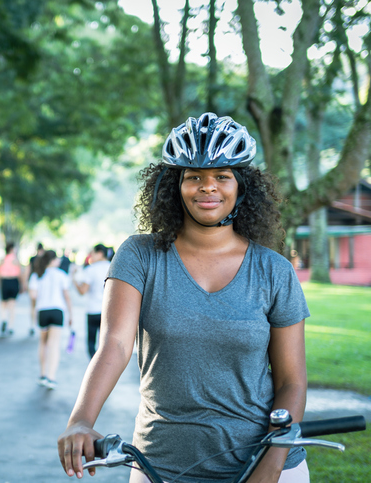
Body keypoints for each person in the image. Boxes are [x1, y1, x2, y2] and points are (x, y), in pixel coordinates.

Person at [57, 113, 309, 483]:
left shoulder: (273, 270)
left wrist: (269, 464)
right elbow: (114, 343)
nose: (208, 187)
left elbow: (292, 382)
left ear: (242, 187)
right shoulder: (140, 255)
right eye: (194, 177)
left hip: (262, 461)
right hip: (160, 464)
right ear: (175, 186)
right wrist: (81, 420)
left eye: (222, 176)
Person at [28, 249, 73, 390]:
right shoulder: (61, 275)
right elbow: (66, 296)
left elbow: (33, 296)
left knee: (43, 343)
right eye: (57, 258)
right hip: (57, 310)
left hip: (42, 311)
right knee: (54, 344)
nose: (59, 261)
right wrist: (71, 314)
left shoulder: (37, 275)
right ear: (52, 260)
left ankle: (42, 374)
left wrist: (34, 312)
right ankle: (51, 377)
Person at [73, 244, 111, 359]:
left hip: (93, 310)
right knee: (106, 343)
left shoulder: (90, 270)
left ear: (99, 253)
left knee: (91, 343)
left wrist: (74, 279)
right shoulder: (113, 267)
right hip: (109, 311)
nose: (90, 257)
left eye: (92, 254)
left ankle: (93, 367)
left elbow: (82, 291)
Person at [0, 242, 23, 336]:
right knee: (12, 305)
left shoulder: (2, 260)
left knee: (3, 304)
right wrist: (22, 284)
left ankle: (3, 319)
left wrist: (0, 284)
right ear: (12, 249)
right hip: (13, 281)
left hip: (4, 281)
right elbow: (19, 274)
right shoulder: (15, 260)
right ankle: (10, 327)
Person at [25, 243, 45, 336]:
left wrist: (25, 282)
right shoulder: (45, 259)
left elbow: (28, 271)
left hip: (33, 283)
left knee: (32, 306)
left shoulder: (32, 259)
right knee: (41, 304)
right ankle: (40, 326)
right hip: (42, 284)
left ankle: (32, 325)